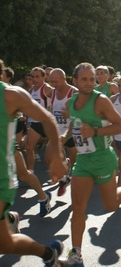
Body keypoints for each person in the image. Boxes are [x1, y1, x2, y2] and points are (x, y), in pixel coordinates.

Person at [60, 62, 121, 266]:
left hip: (104, 159)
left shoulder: (101, 100)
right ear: (75, 81)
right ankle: (76, 253)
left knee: (111, 205)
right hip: (83, 160)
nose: (89, 83)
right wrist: (62, 137)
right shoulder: (71, 103)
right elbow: (74, 125)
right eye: (84, 79)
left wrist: (95, 132)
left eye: (92, 79)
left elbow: (120, 126)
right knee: (78, 206)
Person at [0, 59, 68, 267]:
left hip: (1, 177)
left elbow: (48, 119)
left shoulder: (11, 95)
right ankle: (48, 252)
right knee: (5, 245)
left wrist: (56, 156)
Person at [46, 68, 79, 196]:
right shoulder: (52, 93)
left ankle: (76, 194)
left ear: (64, 79)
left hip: (72, 132)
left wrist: (66, 134)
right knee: (48, 159)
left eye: (56, 81)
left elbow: (76, 116)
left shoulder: (74, 92)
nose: (54, 84)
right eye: (52, 81)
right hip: (57, 132)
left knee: (76, 165)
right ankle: (64, 179)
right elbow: (52, 110)